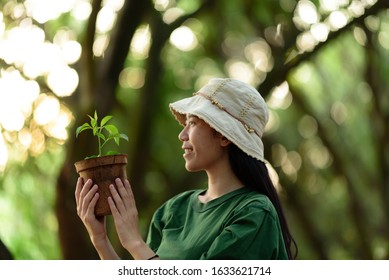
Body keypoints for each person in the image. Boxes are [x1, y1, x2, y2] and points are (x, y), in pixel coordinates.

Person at [75, 77, 297, 260]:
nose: (182, 135)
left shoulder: (254, 213)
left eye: (192, 123)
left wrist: (134, 241)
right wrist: (100, 240)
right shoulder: (173, 210)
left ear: (223, 135)